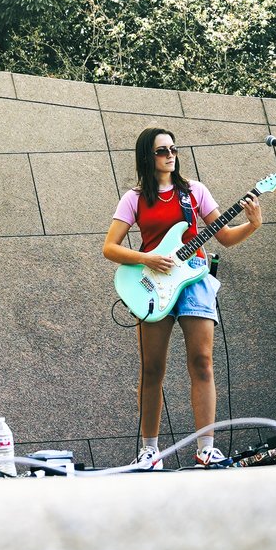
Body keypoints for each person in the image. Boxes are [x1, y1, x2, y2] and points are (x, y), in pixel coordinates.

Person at [101, 125, 261, 468]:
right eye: (162, 150)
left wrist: (252, 224)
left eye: (173, 149)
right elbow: (110, 248)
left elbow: (225, 237)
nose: (170, 155)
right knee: (152, 368)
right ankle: (149, 451)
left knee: (202, 362)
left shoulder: (194, 192)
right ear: (147, 157)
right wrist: (147, 258)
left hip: (195, 280)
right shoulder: (134, 198)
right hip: (152, 285)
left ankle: (206, 449)